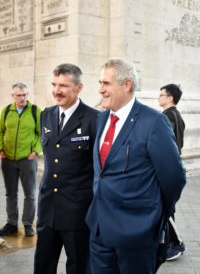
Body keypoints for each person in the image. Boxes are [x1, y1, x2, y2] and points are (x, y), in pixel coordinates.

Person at [85, 59, 186, 274]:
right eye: (99, 82)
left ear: (127, 84)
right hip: (99, 230)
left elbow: (174, 178)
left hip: (136, 233)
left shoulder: (154, 122)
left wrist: (154, 216)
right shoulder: (102, 119)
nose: (100, 89)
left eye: (106, 83)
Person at [34, 63, 98, 274]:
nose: (56, 91)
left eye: (63, 85)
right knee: (43, 265)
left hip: (77, 212)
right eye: (54, 84)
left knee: (79, 267)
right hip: (47, 208)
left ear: (79, 88)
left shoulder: (94, 119)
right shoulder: (47, 114)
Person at [0, 83, 42, 237]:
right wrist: (1, 149)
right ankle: (11, 223)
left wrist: (35, 151)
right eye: (19, 95)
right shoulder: (6, 111)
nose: (22, 98)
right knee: (10, 193)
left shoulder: (34, 111)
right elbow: (0, 131)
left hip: (27, 159)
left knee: (29, 194)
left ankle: (28, 224)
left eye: (25, 95)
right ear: (13, 96)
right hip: (8, 159)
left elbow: (42, 133)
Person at [159, 83, 186, 261]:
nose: (159, 97)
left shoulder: (166, 116)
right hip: (173, 167)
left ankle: (176, 244)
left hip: (166, 169)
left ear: (170, 98)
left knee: (167, 210)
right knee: (167, 208)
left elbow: (164, 146)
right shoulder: (177, 116)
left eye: (162, 95)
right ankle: (172, 244)